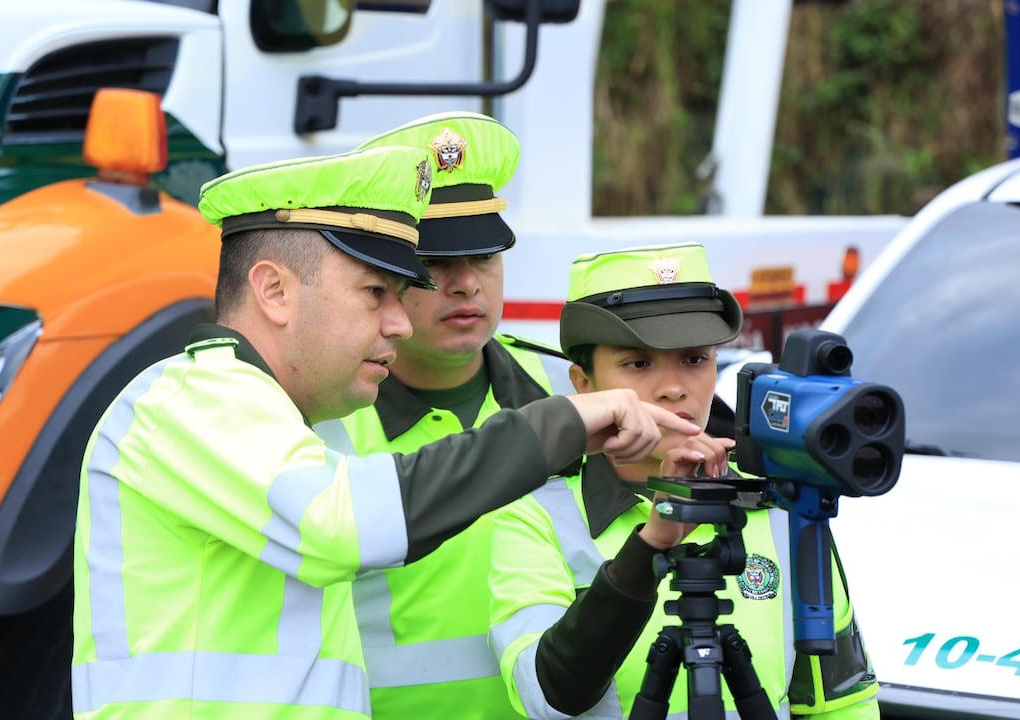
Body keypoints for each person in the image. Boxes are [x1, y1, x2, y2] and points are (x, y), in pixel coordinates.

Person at [69, 148, 702, 720]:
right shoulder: (194, 400)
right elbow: (343, 524)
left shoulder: (265, 414)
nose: (400, 322)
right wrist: (561, 422)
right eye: (376, 292)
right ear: (274, 291)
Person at [487, 242, 880, 719]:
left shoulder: (778, 505)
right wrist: (648, 547)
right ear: (584, 384)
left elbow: (842, 706)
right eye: (639, 363)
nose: (674, 387)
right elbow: (546, 698)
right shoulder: (535, 514)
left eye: (694, 359)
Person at [312, 112, 572, 720]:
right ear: (384, 276)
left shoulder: (568, 393)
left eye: (483, 257)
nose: (466, 285)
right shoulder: (324, 421)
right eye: (435, 263)